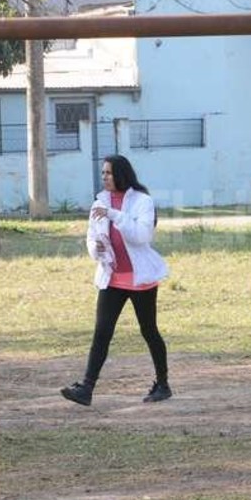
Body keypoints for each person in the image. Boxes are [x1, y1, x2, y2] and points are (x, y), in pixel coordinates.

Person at [61, 155, 173, 406]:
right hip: (112, 277)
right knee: (102, 332)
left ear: (121, 174)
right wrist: (97, 249)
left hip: (140, 278)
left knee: (149, 331)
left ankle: (163, 383)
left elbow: (141, 236)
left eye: (109, 173)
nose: (105, 178)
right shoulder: (99, 202)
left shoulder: (142, 201)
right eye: (103, 173)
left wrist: (114, 214)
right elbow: (91, 236)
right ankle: (86, 388)